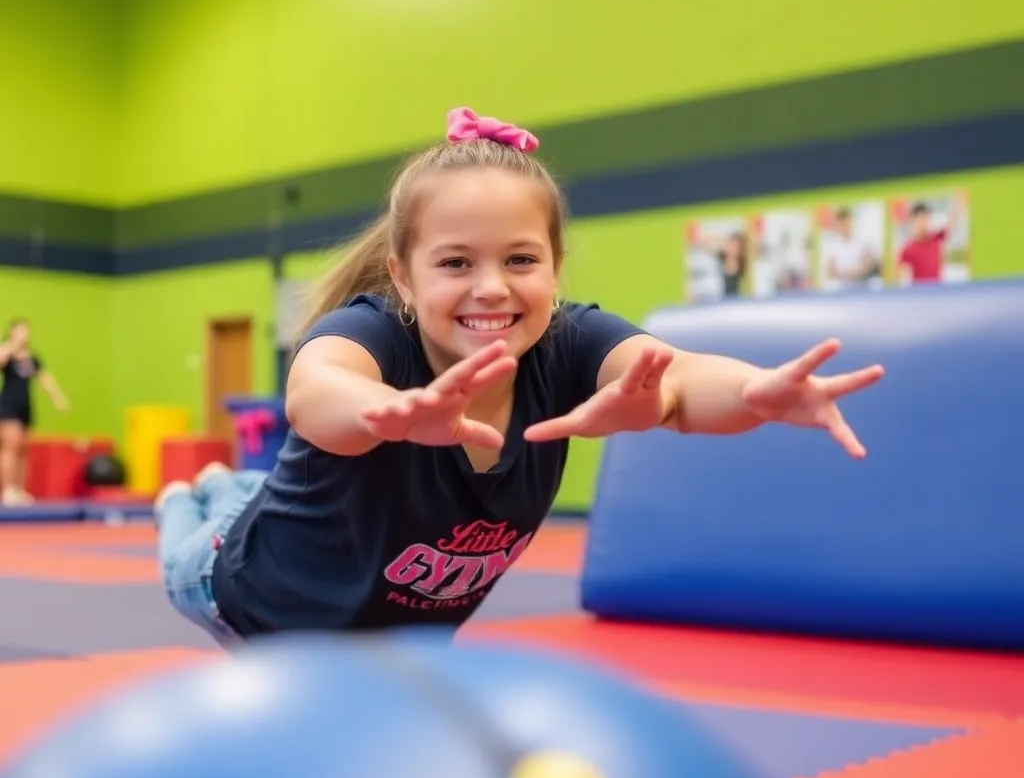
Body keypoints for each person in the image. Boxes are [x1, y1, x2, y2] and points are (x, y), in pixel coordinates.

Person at [155, 106, 885, 649]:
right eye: (455, 263)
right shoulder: (373, 333)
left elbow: (681, 382)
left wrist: (754, 393)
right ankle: (185, 499)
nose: (492, 288)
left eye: (521, 260)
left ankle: (226, 488)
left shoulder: (568, 343)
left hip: (394, 636)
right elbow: (317, 393)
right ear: (403, 279)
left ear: (554, 269)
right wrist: (394, 411)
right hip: (253, 600)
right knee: (199, 523)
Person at [0, 318, 70, 507]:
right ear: (13, 332)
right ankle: (8, 489)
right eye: (20, 330)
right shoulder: (7, 352)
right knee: (10, 446)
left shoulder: (32, 358)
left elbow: (45, 379)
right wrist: (12, 346)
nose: (24, 334)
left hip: (26, 407)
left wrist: (58, 398)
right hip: (8, 405)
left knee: (23, 449)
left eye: (26, 331)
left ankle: (19, 490)